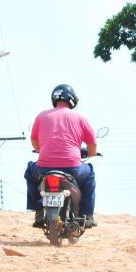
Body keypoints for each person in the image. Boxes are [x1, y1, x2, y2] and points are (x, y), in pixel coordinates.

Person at [24, 84, 98, 228]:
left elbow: (34, 141)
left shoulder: (41, 115)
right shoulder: (80, 117)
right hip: (73, 168)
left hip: (43, 168)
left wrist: (41, 150)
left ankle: (39, 210)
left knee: (29, 172)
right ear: (72, 100)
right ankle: (87, 215)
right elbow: (92, 144)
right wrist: (91, 154)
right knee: (89, 173)